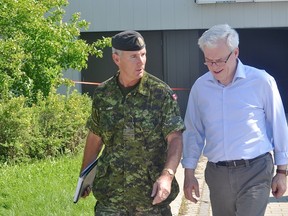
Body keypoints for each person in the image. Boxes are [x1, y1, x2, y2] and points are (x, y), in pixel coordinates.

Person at [182, 24, 288, 216]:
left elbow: (278, 125)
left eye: (220, 60)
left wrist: (282, 172)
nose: (215, 67)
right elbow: (193, 131)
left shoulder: (261, 81)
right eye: (209, 61)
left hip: (255, 170)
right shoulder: (201, 87)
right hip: (217, 174)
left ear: (235, 52)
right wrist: (189, 173)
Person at [79, 30, 185, 215]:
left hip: (151, 199)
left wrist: (167, 176)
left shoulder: (160, 93)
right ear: (116, 59)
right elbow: (95, 136)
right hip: (111, 196)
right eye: (134, 57)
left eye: (143, 55)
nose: (141, 61)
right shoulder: (103, 94)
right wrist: (84, 178)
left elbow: (175, 138)